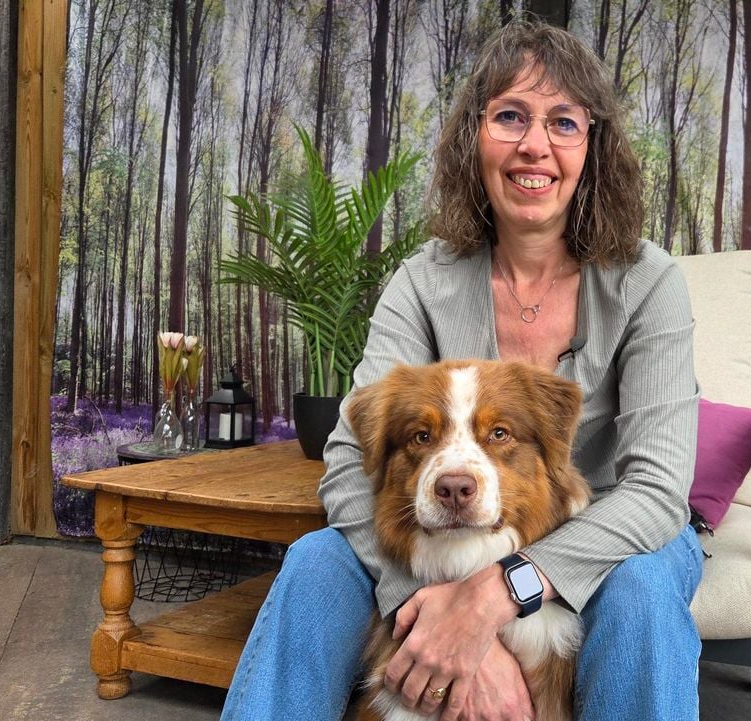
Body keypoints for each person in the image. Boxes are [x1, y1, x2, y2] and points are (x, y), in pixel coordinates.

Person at [222, 18, 703, 721]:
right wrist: (438, 624)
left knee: (643, 591)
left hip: (608, 534)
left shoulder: (649, 281)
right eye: (510, 116)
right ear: (473, 136)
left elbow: (658, 491)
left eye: (563, 123)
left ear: (590, 147)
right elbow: (349, 461)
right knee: (317, 564)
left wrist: (493, 597)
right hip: (447, 545)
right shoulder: (424, 281)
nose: (534, 144)